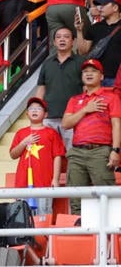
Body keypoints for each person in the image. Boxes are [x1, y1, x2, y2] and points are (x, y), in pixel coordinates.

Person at [61, 58, 121, 214]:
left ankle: (110, 236)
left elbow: (116, 124)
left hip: (100, 151)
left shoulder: (111, 97)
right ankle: (79, 235)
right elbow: (66, 123)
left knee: (107, 194)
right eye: (85, 71)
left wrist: (115, 150)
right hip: (77, 152)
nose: (88, 74)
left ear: (101, 76)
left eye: (93, 71)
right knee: (75, 197)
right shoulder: (75, 100)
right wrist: (86, 109)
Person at [10, 97, 65, 216]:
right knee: (23, 215)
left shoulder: (51, 133)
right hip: (23, 182)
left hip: (44, 181)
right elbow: (13, 154)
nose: (34, 111)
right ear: (27, 113)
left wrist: (55, 179)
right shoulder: (21, 133)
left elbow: (58, 156)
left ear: (45, 114)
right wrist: (24, 142)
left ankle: (42, 235)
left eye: (39, 109)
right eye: (31, 108)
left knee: (43, 214)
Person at [38, 25, 83, 146]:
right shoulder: (47, 63)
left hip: (73, 117)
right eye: (58, 37)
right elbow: (41, 88)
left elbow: (86, 89)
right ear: (54, 42)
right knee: (49, 153)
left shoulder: (81, 62)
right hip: (49, 117)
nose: (62, 39)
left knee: (71, 154)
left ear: (73, 41)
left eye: (66, 37)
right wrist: (37, 109)